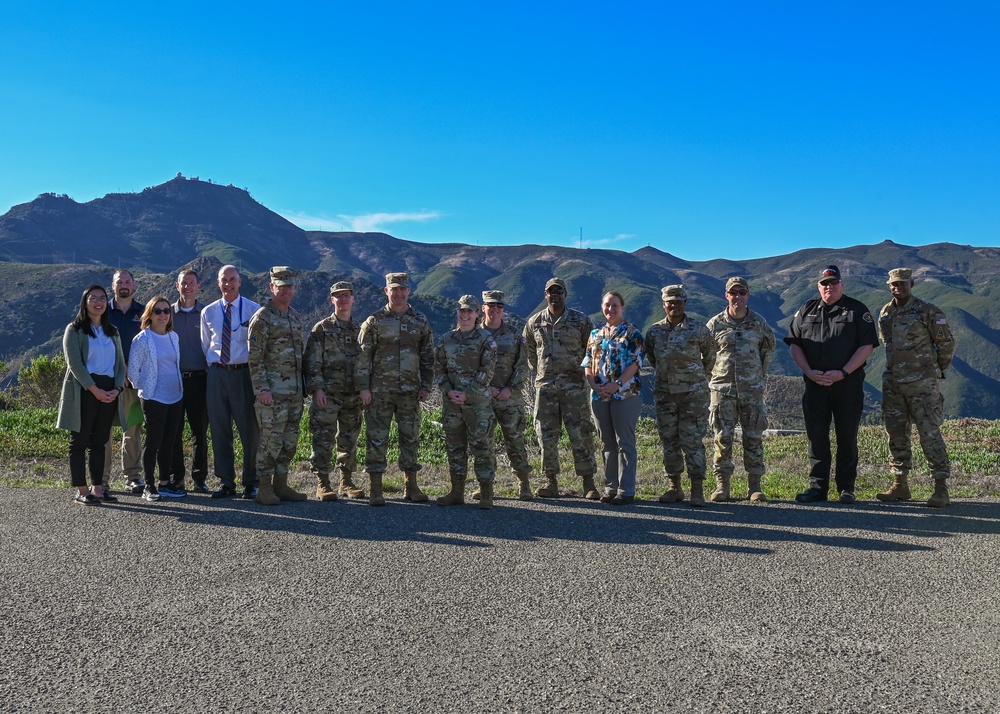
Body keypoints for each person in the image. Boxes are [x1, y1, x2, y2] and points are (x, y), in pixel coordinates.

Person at [784, 265, 879, 504]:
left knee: (847, 436)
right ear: (819, 286)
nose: (829, 287)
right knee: (817, 437)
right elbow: (795, 344)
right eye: (824, 283)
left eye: (833, 283)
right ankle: (818, 488)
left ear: (842, 285)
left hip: (847, 385)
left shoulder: (857, 310)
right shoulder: (807, 309)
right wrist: (808, 372)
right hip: (814, 385)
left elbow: (866, 346)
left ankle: (846, 488)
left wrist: (843, 372)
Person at [875, 268, 956, 508]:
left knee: (930, 433)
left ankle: (941, 488)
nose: (897, 287)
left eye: (902, 283)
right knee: (896, 434)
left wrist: (931, 370)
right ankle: (900, 485)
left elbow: (946, 343)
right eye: (893, 284)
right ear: (889, 286)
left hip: (922, 385)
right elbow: (886, 342)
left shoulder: (928, 311)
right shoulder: (886, 312)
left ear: (911, 283)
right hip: (894, 383)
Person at [357, 272, 435, 506]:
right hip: (379, 390)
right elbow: (363, 357)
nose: (399, 293)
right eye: (394, 289)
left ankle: (411, 486)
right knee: (376, 438)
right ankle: (376, 488)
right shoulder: (374, 321)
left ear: (409, 291)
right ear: (386, 291)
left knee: (410, 437)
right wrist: (363, 388)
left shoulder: (419, 320)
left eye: (403, 289)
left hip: (410, 391)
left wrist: (426, 385)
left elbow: (427, 356)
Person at [523, 278, 599, 499]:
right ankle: (550, 481)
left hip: (574, 388)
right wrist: (540, 372)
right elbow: (529, 350)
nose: (554, 295)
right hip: (545, 388)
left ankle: (588, 482)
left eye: (558, 292)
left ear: (566, 294)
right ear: (545, 295)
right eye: (550, 292)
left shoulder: (580, 321)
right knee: (546, 437)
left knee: (581, 435)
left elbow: (591, 350)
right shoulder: (535, 322)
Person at [644, 285, 717, 507]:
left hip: (693, 395)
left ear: (685, 302)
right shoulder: (654, 331)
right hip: (665, 394)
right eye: (670, 302)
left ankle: (697, 489)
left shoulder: (698, 329)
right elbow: (652, 357)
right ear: (664, 304)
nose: (674, 305)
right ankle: (674, 487)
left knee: (692, 441)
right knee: (669, 441)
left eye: (678, 301)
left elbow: (710, 355)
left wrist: (696, 377)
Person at [705, 277, 776, 502]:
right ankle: (722, 486)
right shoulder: (714, 324)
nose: (738, 297)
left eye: (742, 292)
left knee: (753, 437)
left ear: (748, 295)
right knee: (722, 438)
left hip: (751, 390)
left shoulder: (759, 323)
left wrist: (758, 378)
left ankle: (754, 486)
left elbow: (767, 351)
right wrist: (715, 380)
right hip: (722, 390)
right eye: (733, 293)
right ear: (726, 295)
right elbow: (706, 357)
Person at [57, 285, 125, 505]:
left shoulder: (112, 331)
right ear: (84, 302)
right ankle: (81, 490)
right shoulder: (74, 329)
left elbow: (120, 365)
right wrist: (94, 390)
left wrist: (116, 389)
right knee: (79, 441)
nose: (99, 302)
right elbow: (75, 364)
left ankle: (98, 488)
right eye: (93, 298)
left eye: (102, 298)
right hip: (84, 389)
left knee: (100, 441)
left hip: (109, 390)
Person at [200, 264, 262, 499]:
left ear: (240, 281)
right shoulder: (209, 312)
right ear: (218, 283)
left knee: (249, 430)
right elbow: (206, 345)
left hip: (243, 374)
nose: (228, 284)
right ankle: (226, 481)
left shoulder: (253, 310)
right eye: (224, 280)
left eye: (232, 279)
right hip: (217, 374)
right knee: (219, 429)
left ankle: (250, 482)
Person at [248, 266, 308, 506]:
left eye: (290, 286)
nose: (287, 290)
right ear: (272, 287)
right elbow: (254, 356)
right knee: (270, 441)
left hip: (294, 393)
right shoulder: (263, 317)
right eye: (281, 286)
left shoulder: (294, 316)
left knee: (289, 441)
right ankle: (263, 487)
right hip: (271, 393)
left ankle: (281, 485)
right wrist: (261, 389)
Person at [582, 291, 645, 506]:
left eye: (615, 305)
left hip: (625, 394)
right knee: (607, 442)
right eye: (607, 305)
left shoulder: (632, 333)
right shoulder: (595, 334)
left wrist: (616, 384)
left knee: (624, 442)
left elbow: (635, 363)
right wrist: (594, 386)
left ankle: (626, 490)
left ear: (622, 307)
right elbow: (588, 363)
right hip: (599, 395)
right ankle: (610, 488)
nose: (611, 309)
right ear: (602, 307)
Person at [435, 295, 498, 508]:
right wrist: (447, 390)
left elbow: (487, 371)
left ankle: (487, 493)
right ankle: (456, 491)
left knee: (482, 447)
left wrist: (467, 394)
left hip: (477, 404)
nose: (465, 315)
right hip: (452, 404)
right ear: (457, 313)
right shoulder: (447, 339)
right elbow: (439, 369)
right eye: (462, 311)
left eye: (470, 311)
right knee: (455, 447)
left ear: (477, 313)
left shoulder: (485, 339)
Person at [304, 281, 365, 502]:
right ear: (332, 300)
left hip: (352, 396)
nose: (343, 299)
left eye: (347, 295)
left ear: (353, 298)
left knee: (349, 439)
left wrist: (364, 390)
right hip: (327, 395)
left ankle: (346, 481)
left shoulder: (359, 330)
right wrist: (317, 389)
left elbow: (366, 362)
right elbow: (311, 362)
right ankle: (323, 483)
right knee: (323, 438)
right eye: (338, 296)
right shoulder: (322, 328)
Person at [475, 290, 534, 501]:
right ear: (483, 308)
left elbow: (522, 366)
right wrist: (486, 386)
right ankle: (486, 486)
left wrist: (510, 388)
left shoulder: (514, 335)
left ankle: (524, 484)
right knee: (484, 443)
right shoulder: (474, 334)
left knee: (515, 441)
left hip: (510, 397)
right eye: (491, 306)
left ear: (503, 309)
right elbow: (468, 367)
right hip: (483, 397)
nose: (495, 309)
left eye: (499, 306)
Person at [128, 296, 185, 502]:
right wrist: (145, 388)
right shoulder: (142, 339)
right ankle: (149, 485)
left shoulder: (173, 337)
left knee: (169, 442)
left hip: (175, 395)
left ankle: (164, 483)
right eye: (157, 311)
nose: (163, 315)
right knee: (153, 442)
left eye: (166, 311)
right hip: (154, 397)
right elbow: (133, 372)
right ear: (149, 315)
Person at [104, 268, 144, 494]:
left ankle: (133, 477)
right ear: (113, 286)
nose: (124, 285)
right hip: (107, 381)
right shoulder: (102, 311)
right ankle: (102, 478)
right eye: (120, 282)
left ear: (134, 285)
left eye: (128, 281)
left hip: (133, 382)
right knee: (103, 431)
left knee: (133, 430)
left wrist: (134, 371)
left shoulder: (144, 311)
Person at [170, 269, 210, 493]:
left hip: (199, 379)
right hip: (174, 380)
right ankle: (177, 478)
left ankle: (199, 478)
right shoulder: (167, 312)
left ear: (198, 286)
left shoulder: (206, 313)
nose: (187, 287)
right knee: (174, 432)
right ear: (177, 286)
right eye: (183, 283)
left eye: (191, 283)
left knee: (199, 433)